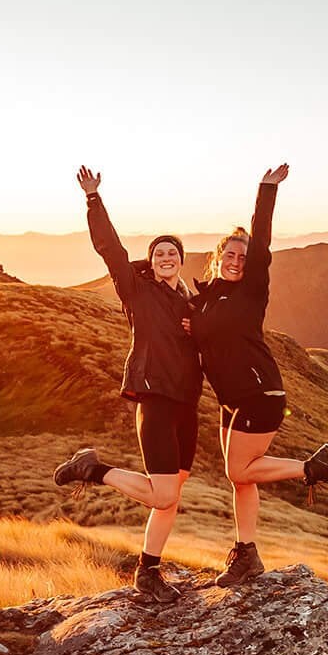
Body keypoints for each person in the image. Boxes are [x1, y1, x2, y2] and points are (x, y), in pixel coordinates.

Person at [190, 163, 328, 584]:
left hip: (259, 394)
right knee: (240, 480)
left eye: (242, 258)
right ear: (217, 258)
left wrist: (266, 191)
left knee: (240, 471)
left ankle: (311, 468)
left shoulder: (250, 290)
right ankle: (246, 555)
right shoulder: (208, 297)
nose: (235, 261)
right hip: (233, 400)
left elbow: (260, 241)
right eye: (228, 254)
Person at [51, 166, 204, 601]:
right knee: (161, 496)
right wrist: (94, 199)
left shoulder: (189, 302)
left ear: (182, 259)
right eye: (159, 253)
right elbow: (111, 250)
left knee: (170, 497)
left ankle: (149, 572)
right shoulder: (135, 292)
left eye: (172, 252)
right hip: (155, 400)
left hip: (186, 406)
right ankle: (93, 469)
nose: (166, 257)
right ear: (150, 261)